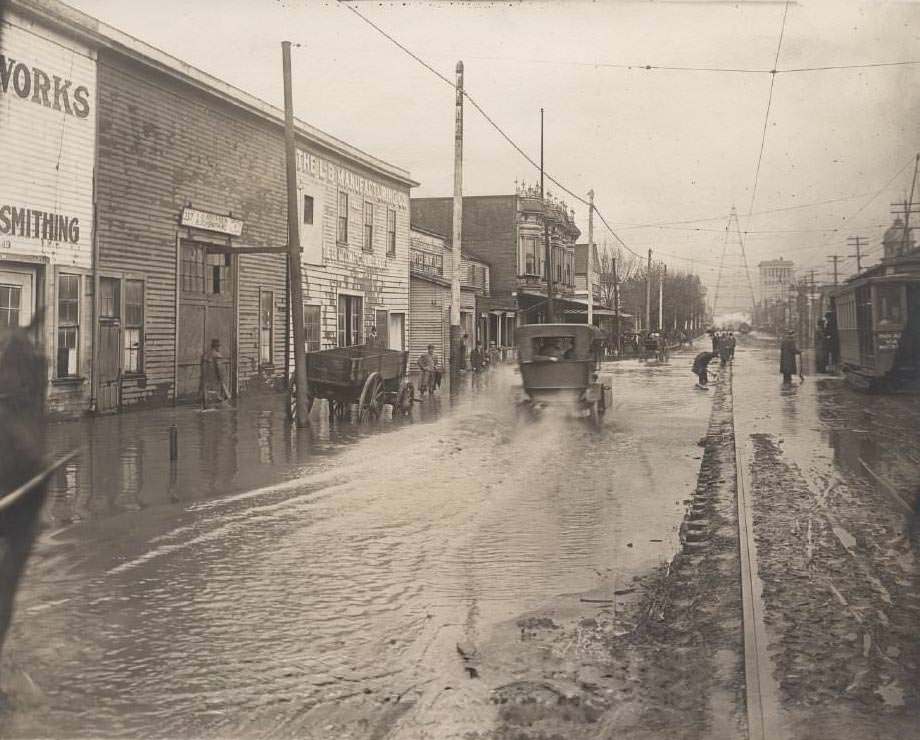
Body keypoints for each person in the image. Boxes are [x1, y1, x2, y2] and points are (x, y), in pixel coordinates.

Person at [201, 338, 229, 409]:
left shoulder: (206, 355)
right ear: (216, 347)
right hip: (215, 379)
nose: (219, 348)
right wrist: (222, 380)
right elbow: (220, 370)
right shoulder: (217, 355)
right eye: (219, 346)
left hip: (206, 379)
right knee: (218, 397)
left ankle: (206, 407)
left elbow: (203, 368)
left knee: (207, 396)